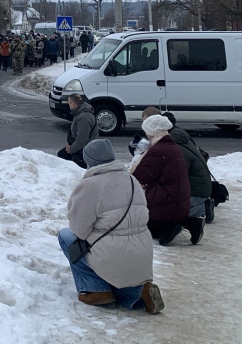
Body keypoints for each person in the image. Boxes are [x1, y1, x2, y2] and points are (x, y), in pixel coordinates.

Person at [57, 139, 164, 314]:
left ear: (89, 160)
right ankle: (139, 291)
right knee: (115, 262)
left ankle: (96, 290)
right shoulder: (131, 180)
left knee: (66, 237)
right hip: (143, 252)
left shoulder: (90, 185)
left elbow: (79, 230)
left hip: (113, 254)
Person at [130, 114, 192, 246]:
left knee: (146, 231)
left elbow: (139, 175)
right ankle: (193, 224)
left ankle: (170, 228)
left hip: (165, 202)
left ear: (151, 132)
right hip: (178, 201)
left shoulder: (158, 150)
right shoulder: (171, 145)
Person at [57, 94, 96, 168]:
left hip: (85, 150)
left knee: (63, 157)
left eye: (69, 103)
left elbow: (82, 139)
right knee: (62, 154)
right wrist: (70, 145)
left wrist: (71, 149)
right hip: (81, 147)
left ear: (73, 104)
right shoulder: (79, 113)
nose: (69, 106)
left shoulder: (84, 117)